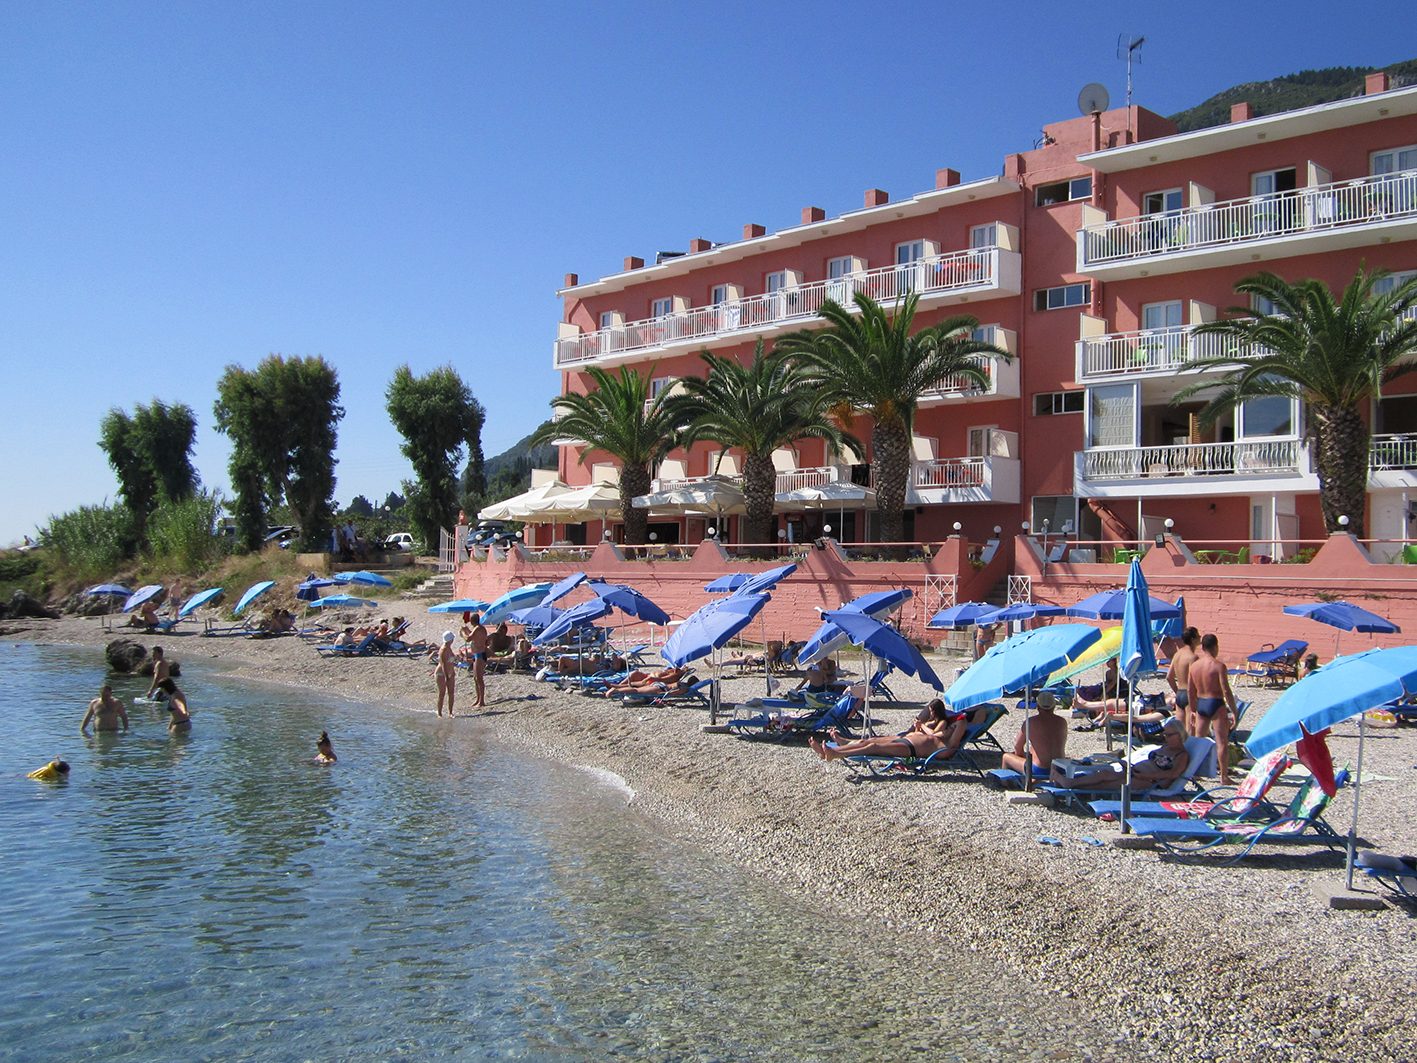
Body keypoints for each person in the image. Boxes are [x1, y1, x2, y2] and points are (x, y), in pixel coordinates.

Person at [1051, 718, 1191, 790]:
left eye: (1169, 735)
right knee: (1105, 773)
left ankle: (1073, 786)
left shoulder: (1181, 755)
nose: (1166, 737)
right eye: (1165, 734)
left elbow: (1172, 774)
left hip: (1151, 782)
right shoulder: (1165, 747)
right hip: (1136, 773)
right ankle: (1072, 783)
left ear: (1180, 735)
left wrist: (1145, 775)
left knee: (1110, 784)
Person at [809, 699, 959, 762]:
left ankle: (836, 753)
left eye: (932, 711)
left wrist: (923, 726)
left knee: (873, 747)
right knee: (869, 741)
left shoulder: (943, 727)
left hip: (911, 747)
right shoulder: (933, 722)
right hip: (907, 738)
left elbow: (934, 734)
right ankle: (841, 745)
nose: (930, 713)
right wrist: (919, 726)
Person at [1188, 633, 1239, 784]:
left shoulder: (1194, 666)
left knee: (1199, 740)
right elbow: (1226, 691)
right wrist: (1234, 711)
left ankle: (1195, 772)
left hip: (1201, 704)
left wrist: (1192, 710)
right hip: (1216, 703)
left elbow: (1191, 691)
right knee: (1222, 741)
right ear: (1216, 646)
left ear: (1202, 647)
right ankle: (1224, 777)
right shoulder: (1219, 666)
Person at [1001, 691, 1067, 778]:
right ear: (1054, 706)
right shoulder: (1062, 721)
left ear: (1038, 706)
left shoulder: (1030, 722)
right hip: (1060, 768)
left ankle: (1006, 782)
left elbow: (1018, 746)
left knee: (1006, 757)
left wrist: (1021, 759)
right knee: (1033, 750)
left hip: (1040, 769)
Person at [1165, 627, 1201, 734]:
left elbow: (1169, 676)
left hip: (1180, 693)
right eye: (1198, 636)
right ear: (1193, 639)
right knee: (1191, 730)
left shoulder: (1178, 654)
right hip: (1189, 694)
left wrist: (1176, 691)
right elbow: (1193, 680)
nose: (1200, 637)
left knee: (1180, 731)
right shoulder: (1193, 657)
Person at [603, 665, 686, 696]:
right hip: (653, 681)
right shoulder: (674, 673)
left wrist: (663, 694)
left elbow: (662, 680)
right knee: (635, 676)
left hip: (654, 683)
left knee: (635, 688)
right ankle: (616, 687)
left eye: (680, 669)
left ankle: (615, 688)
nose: (677, 668)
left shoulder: (675, 677)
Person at [466, 613, 489, 707]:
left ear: (472, 621)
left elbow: (468, 639)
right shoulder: (479, 629)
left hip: (480, 655)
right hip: (476, 655)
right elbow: (473, 636)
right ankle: (478, 699)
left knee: (479, 678)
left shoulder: (478, 628)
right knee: (475, 678)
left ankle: (482, 701)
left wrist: (463, 632)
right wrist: (467, 630)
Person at [435, 631, 458, 717]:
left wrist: (452, 672)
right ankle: (439, 713)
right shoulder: (443, 649)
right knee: (442, 693)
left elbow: (450, 662)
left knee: (451, 692)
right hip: (441, 673)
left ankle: (450, 712)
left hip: (450, 672)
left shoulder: (449, 648)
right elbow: (443, 664)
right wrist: (446, 677)